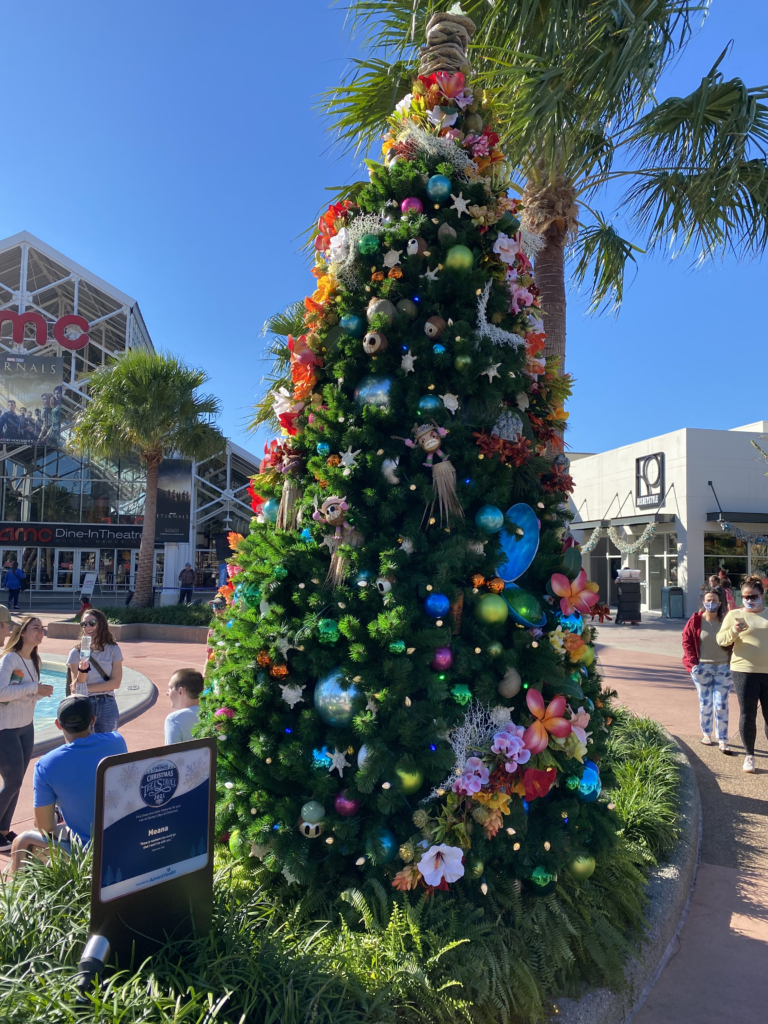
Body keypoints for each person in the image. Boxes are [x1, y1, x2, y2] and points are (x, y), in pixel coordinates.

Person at [8, 695, 126, 872]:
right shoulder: (117, 742)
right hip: (123, 842)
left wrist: (56, 815)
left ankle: (17, 896)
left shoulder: (46, 765)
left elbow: (44, 827)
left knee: (21, 842)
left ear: (58, 724)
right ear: (92, 720)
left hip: (89, 854)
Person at [0, 616, 53, 852]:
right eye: (35, 628)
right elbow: (2, 693)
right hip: (6, 728)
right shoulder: (9, 659)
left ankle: (3, 830)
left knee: (18, 782)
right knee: (11, 781)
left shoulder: (34, 660)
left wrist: (40, 693)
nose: (40, 632)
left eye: (42, 629)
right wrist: (33, 688)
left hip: (26, 726)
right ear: (22, 633)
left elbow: (23, 695)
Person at [717, 575, 768, 773]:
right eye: (746, 596)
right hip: (743, 670)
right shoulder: (734, 615)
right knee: (748, 713)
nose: (750, 600)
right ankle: (749, 755)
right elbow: (722, 640)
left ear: (762, 595)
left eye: (754, 596)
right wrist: (735, 631)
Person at [682, 586, 733, 753]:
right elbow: (687, 640)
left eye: (715, 600)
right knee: (705, 703)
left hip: (723, 667)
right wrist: (693, 664)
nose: (711, 603)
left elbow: (733, 641)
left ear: (720, 603)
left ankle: (723, 738)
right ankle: (706, 734)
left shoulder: (726, 620)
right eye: (708, 600)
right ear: (704, 602)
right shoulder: (696, 620)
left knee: (721, 704)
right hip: (702, 667)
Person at [66, 609, 123, 733]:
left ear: (101, 624)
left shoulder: (113, 650)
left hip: (107, 702)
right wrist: (83, 670)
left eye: (92, 623)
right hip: (85, 704)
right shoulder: (76, 653)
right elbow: (76, 687)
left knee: (108, 744)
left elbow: (116, 683)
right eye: (84, 624)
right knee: (87, 744)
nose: (87, 627)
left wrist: (86, 687)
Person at [164, 668, 204, 744]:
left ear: (180, 691)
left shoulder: (174, 719)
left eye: (170, 688)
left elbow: (172, 754)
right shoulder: (214, 714)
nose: (167, 693)